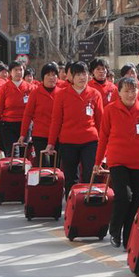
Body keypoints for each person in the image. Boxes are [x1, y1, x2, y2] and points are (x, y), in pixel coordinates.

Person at [93, 77, 139, 249]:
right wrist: (98, 161)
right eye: (127, 90)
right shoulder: (110, 110)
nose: (131, 94)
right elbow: (103, 137)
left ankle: (128, 237)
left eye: (134, 90)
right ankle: (115, 229)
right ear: (119, 92)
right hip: (118, 161)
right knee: (124, 196)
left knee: (137, 201)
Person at [45, 61, 103, 198]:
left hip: (90, 140)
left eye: (84, 74)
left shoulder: (95, 94)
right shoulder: (62, 95)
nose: (82, 78)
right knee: (71, 176)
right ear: (71, 77)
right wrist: (51, 143)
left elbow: (101, 122)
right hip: (68, 141)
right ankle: (73, 205)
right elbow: (56, 120)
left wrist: (105, 145)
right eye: (78, 74)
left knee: (90, 173)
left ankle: (89, 203)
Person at [19, 63, 62, 166]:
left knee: (55, 167)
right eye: (48, 75)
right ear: (43, 77)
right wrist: (23, 134)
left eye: (54, 74)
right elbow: (28, 114)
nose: (51, 78)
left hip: (58, 136)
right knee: (45, 165)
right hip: (40, 135)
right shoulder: (35, 93)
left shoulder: (61, 93)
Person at [0, 61, 34, 155]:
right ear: (10, 72)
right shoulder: (5, 88)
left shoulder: (30, 88)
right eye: (15, 70)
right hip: (8, 125)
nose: (18, 72)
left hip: (25, 124)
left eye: (20, 70)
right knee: (13, 153)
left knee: (23, 154)